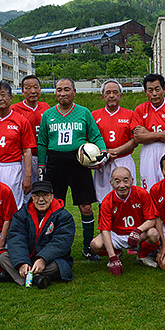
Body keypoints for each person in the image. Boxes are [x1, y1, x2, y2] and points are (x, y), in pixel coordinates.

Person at [38, 78, 108, 261]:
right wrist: (41, 167)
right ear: (55, 93)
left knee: (85, 207)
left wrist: (103, 152)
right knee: (54, 207)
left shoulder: (84, 113)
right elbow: (42, 143)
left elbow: (96, 135)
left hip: (78, 163)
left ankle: (87, 248)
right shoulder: (48, 115)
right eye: (59, 90)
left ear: (74, 92)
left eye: (67, 89)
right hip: (55, 164)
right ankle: (53, 247)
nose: (62, 93)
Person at [0, 180, 75, 288]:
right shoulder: (21, 215)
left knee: (57, 266)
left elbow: (61, 242)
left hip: (49, 260)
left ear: (52, 196)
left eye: (45, 195)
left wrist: (43, 259)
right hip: (28, 256)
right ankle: (37, 278)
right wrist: (22, 262)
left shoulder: (64, 216)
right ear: (32, 197)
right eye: (37, 196)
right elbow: (16, 239)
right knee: (3, 257)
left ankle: (16, 276)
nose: (41, 199)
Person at [90, 167, 159, 275]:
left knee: (154, 234)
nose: (122, 185)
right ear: (111, 184)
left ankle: (143, 256)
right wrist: (112, 257)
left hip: (137, 235)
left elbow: (151, 220)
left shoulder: (142, 193)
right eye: (117, 181)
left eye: (126, 181)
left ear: (132, 181)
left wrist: (138, 231)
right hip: (116, 235)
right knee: (95, 245)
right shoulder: (107, 201)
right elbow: (105, 230)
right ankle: (116, 253)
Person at [131, 73, 165, 191]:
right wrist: (162, 134)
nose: (154, 94)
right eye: (150, 90)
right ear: (145, 92)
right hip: (148, 153)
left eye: (157, 89)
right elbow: (138, 137)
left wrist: (147, 133)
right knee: (150, 190)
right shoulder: (140, 109)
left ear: (164, 89)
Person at [91, 80, 138, 203]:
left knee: (127, 197)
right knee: (104, 200)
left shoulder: (130, 114)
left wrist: (117, 151)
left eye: (115, 92)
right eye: (108, 92)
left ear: (121, 95)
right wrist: (101, 155)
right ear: (102, 96)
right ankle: (104, 222)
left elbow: (135, 140)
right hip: (103, 163)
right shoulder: (94, 115)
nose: (111, 95)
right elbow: (89, 141)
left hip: (124, 160)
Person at [12, 75, 50, 193]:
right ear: (22, 91)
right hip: (25, 157)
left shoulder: (46, 107)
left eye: (36, 87)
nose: (32, 91)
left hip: (44, 156)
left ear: (40, 89)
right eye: (28, 88)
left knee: (44, 189)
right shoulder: (15, 109)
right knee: (26, 190)